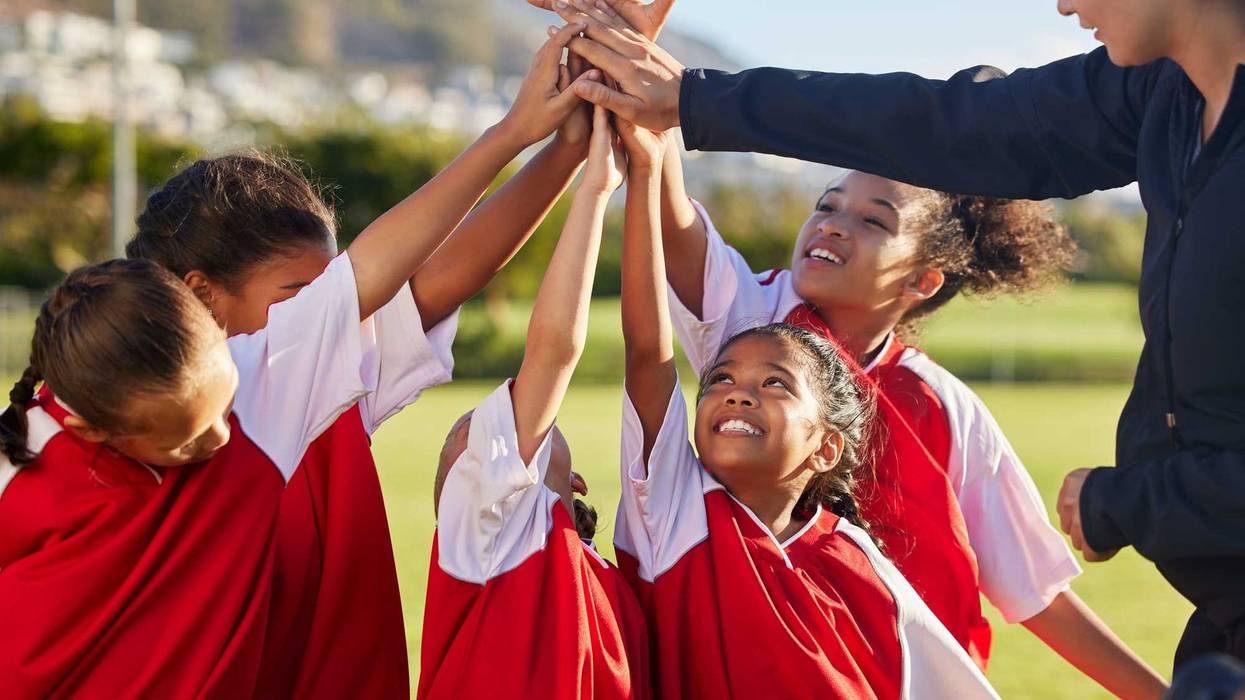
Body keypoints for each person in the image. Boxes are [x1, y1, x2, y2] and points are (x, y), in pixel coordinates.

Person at [544, 0, 1245, 668]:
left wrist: (1130, 504)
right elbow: (955, 125)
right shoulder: (754, 322)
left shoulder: (943, 408)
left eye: (873, 220)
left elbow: (1033, 595)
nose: (1060, 8)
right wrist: (660, 86)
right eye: (827, 204)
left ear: (924, 279)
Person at [125, 24, 597, 697]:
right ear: (202, 295)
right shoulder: (181, 398)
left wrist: (567, 147)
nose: (344, 309)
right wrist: (513, 133)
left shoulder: (318, 390)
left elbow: (443, 277)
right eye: (299, 295)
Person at [611, 106, 997, 699]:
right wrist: (643, 158)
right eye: (721, 379)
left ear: (828, 448)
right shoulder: (671, 509)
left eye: (776, 384)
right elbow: (647, 346)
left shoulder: (864, 565)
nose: (739, 390)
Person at [419, 105, 650, 699]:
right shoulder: (484, 530)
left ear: (573, 485)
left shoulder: (610, 580)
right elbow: (554, 351)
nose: (476, 439)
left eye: (466, 436)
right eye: (461, 454)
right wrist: (596, 190)